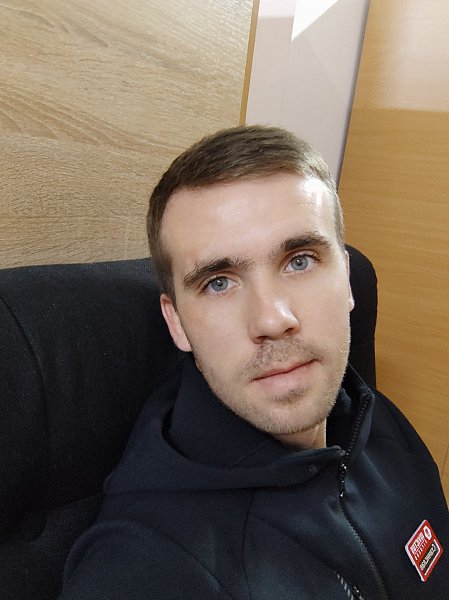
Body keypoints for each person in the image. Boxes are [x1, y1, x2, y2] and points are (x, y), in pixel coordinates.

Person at [59, 126, 448, 599]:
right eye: (219, 282)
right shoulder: (145, 568)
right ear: (176, 322)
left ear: (346, 280)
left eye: (300, 260)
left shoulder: (373, 413)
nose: (272, 319)